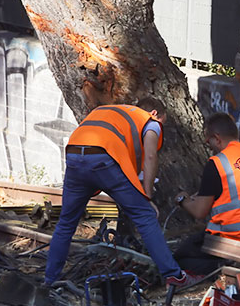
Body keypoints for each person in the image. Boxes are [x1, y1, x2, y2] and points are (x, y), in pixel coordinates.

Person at [44, 96, 198, 289]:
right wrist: (147, 195)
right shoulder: (150, 122)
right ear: (155, 114)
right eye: (162, 124)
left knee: (66, 222)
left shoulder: (113, 112)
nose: (160, 130)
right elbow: (150, 155)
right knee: (145, 215)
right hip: (103, 158)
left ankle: (50, 280)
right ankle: (174, 276)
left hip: (75, 154)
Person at [173, 112, 240, 273]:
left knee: (180, 257)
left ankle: (221, 268)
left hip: (236, 238)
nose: (209, 147)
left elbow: (200, 212)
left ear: (217, 138)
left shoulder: (217, 163)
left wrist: (183, 200)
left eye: (209, 142)